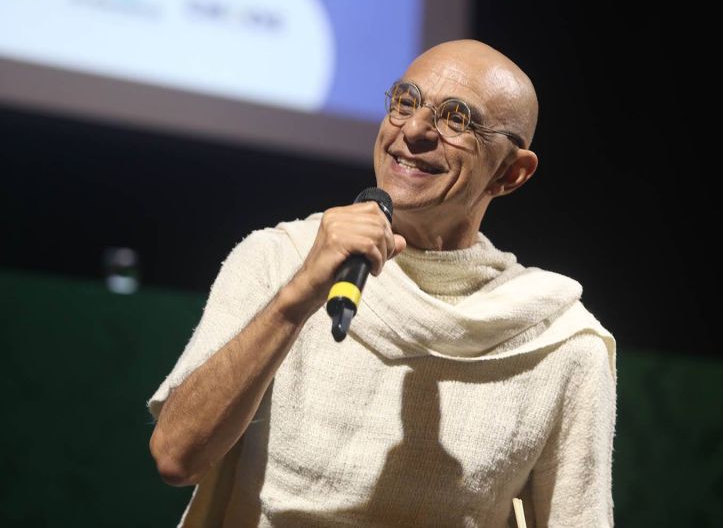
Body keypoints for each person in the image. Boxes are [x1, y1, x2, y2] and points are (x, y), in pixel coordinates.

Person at [148, 39, 616, 528]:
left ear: (510, 172)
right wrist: (297, 298)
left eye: (456, 119)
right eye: (405, 102)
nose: (412, 130)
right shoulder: (278, 259)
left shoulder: (556, 338)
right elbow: (177, 457)